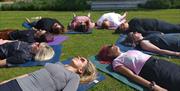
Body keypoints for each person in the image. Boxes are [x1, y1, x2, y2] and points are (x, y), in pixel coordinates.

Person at [97, 44, 180, 91]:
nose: (113, 45)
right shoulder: (116, 62)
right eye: (110, 46)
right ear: (108, 54)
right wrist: (154, 87)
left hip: (161, 63)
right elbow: (132, 76)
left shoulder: (128, 51)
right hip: (152, 70)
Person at [0, 56, 97, 91]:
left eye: (82, 60)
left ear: (81, 70)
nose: (79, 57)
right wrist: (7, 81)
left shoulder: (74, 77)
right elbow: (30, 74)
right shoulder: (59, 64)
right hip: (15, 83)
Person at [115, 18, 180, 36]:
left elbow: (144, 33)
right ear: (125, 29)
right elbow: (144, 33)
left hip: (157, 24)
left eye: (122, 24)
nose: (123, 24)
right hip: (158, 26)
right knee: (175, 28)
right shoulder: (133, 27)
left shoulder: (133, 22)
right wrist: (158, 33)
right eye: (123, 26)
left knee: (175, 28)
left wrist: (157, 32)